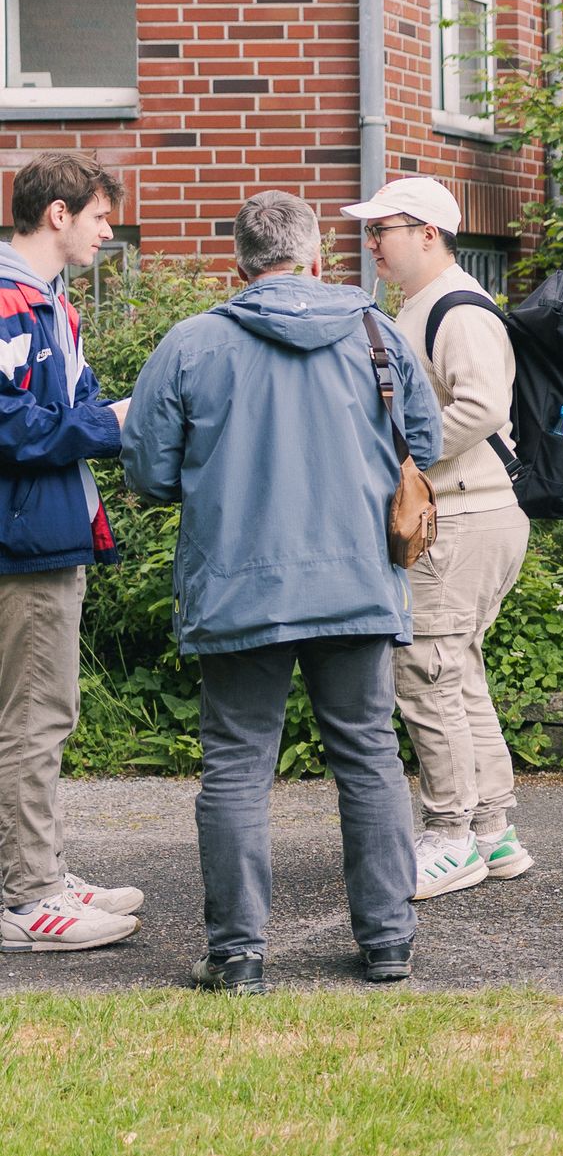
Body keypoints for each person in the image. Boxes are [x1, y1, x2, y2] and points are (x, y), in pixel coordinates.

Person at [118, 190, 443, 991]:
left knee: (235, 765)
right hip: (356, 584)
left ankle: (236, 956)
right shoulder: (377, 331)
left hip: (237, 587)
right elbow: (425, 443)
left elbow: (150, 472)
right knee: (367, 757)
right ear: (315, 260)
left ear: (240, 267)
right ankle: (388, 943)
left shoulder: (193, 343)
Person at [341, 175, 534, 900]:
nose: (371, 244)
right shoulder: (425, 303)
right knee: (456, 670)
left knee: (424, 672)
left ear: (427, 233)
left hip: (461, 515)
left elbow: (483, 405)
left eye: (382, 229)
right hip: (467, 513)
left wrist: (406, 460)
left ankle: (451, 837)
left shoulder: (456, 306)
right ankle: (493, 832)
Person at [0, 153, 144, 955]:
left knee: (36, 715)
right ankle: (30, 895)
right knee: (35, 718)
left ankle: (40, 867)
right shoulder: (7, 302)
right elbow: (7, 423)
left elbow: (70, 401)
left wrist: (102, 414)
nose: (106, 231)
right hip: (23, 540)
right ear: (58, 214)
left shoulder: (50, 303)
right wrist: (107, 427)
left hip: (48, 529)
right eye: (98, 217)